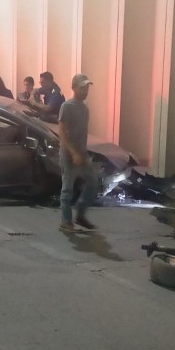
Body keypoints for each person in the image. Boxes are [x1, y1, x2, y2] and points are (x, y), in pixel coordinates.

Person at [58, 74, 98, 232]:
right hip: (68, 153)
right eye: (82, 88)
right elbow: (62, 133)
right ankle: (65, 221)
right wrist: (73, 152)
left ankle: (80, 214)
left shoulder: (85, 108)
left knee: (93, 182)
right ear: (73, 88)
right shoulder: (66, 106)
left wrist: (83, 153)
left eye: (87, 87)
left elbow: (82, 133)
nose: (86, 91)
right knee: (67, 188)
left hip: (81, 153)